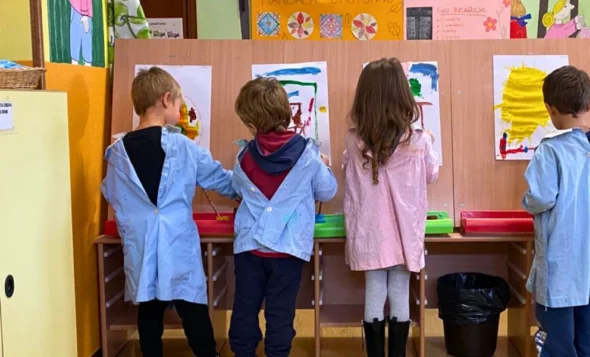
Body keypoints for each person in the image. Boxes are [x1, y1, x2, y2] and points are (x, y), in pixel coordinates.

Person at [101, 67, 234, 357]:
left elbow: (112, 194)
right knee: (193, 310)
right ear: (166, 100)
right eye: (179, 105)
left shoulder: (117, 151)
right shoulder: (184, 147)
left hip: (141, 244)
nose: (181, 111)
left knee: (149, 312)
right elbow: (221, 181)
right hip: (177, 244)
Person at [522, 66, 590, 357]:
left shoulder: (550, 149)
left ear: (549, 109)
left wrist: (527, 201)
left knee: (557, 341)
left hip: (560, 266)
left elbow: (541, 197)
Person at [228, 77, 337, 357]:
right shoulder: (309, 154)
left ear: (252, 125)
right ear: (287, 113)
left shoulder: (244, 157)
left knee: (245, 307)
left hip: (250, 248)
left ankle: (243, 352)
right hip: (288, 251)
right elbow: (326, 192)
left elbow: (237, 188)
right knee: (280, 312)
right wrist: (324, 165)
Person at [343, 58, 439, 357]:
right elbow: (432, 174)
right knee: (399, 291)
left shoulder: (353, 140)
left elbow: (347, 173)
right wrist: (430, 141)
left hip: (370, 233)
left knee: (374, 291)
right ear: (403, 95)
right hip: (404, 232)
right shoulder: (418, 141)